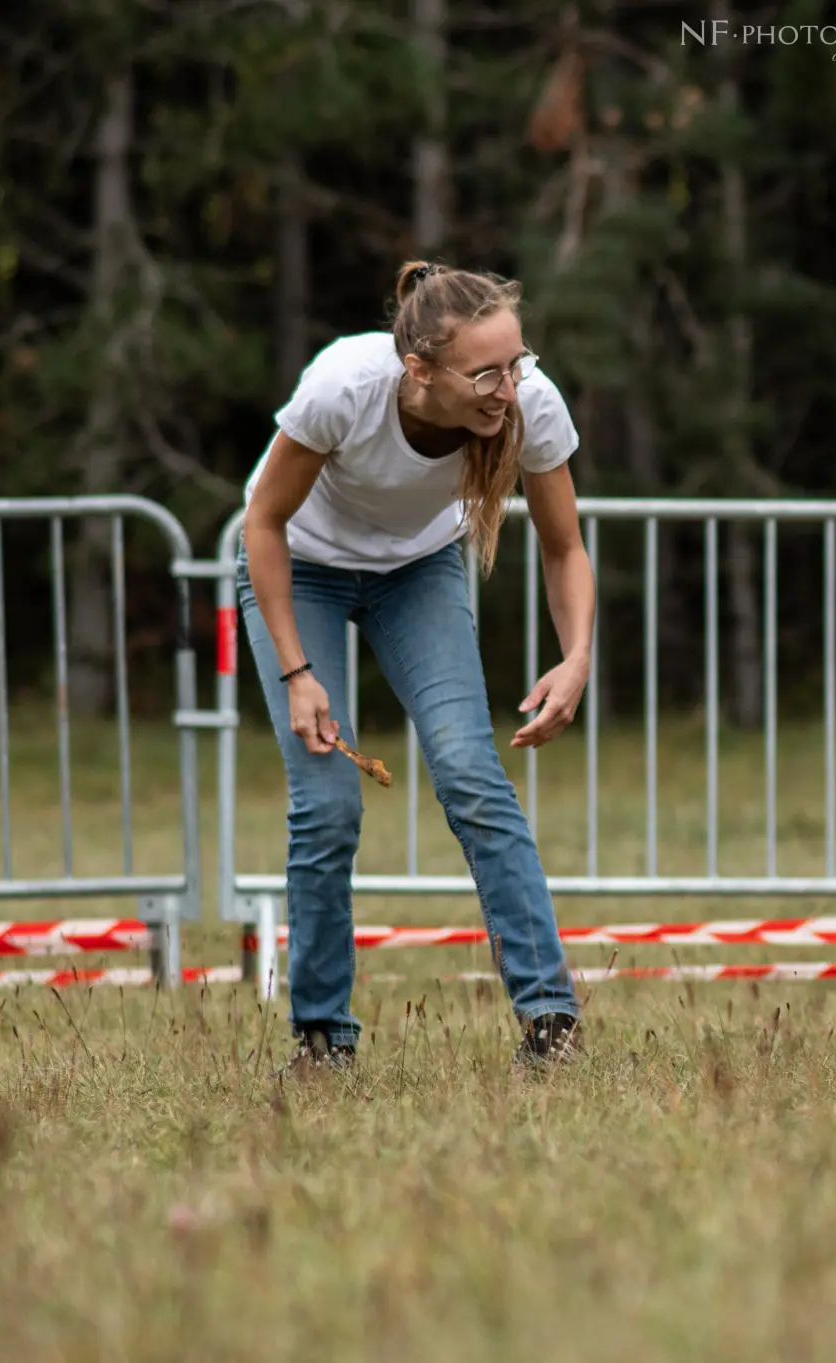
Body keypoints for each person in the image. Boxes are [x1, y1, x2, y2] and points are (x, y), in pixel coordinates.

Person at [237, 260, 592, 1074]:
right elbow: (262, 521)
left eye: (517, 362)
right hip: (301, 571)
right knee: (327, 805)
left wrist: (576, 660)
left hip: (420, 574)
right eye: (486, 373)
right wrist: (299, 673)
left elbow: (565, 547)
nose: (508, 387)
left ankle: (551, 1022)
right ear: (420, 370)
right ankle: (323, 1036)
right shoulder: (343, 387)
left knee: (472, 773)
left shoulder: (529, 402)